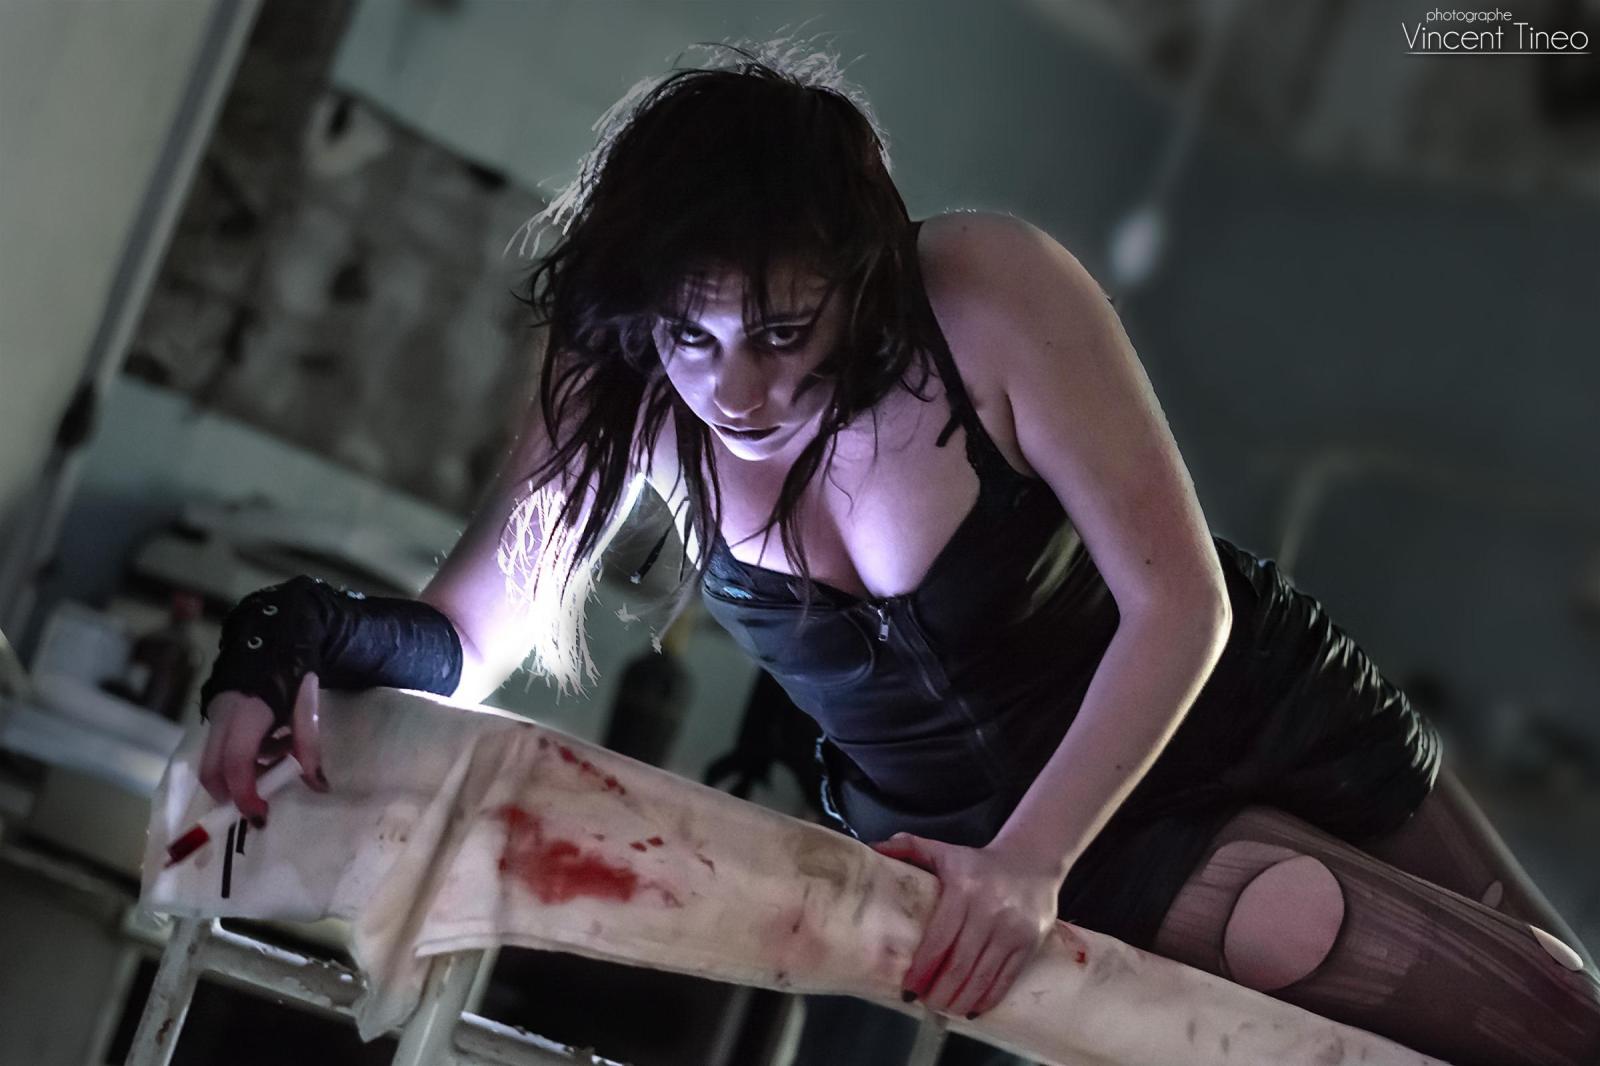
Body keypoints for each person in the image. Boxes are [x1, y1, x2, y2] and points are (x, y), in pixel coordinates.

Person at [196, 46, 1600, 1065]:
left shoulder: (982, 291)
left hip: (1241, 706)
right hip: (1070, 844)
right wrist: (291, 634)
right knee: (1538, 1035)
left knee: (1568, 997)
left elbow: (1182, 602)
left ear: (858, 276)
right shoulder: (617, 379)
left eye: (783, 330)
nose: (737, 387)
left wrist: (1026, 866)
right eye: (693, 336)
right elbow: (466, 638)